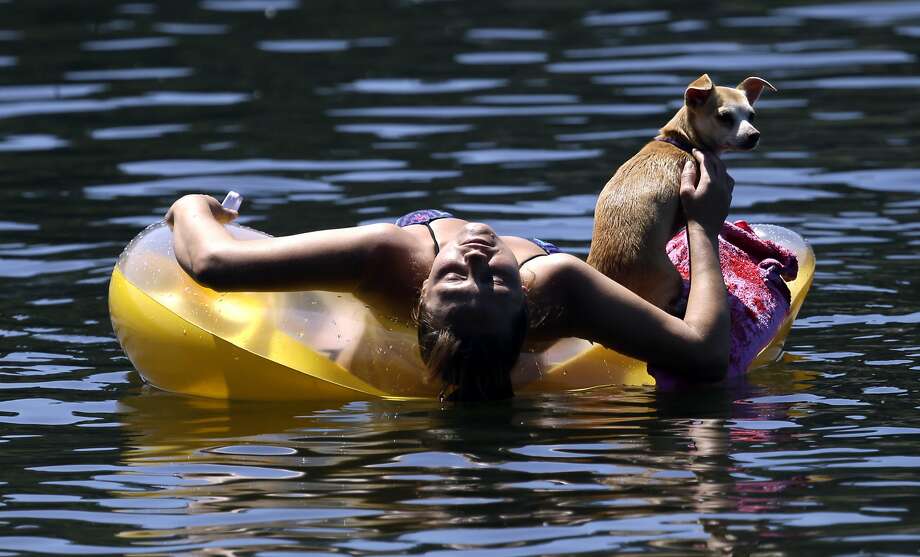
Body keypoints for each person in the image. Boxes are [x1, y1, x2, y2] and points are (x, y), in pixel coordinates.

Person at [166, 150, 733, 401]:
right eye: (498, 283)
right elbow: (705, 356)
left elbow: (213, 263)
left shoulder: (387, 260)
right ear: (529, 305)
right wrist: (704, 225)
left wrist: (194, 205)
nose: (479, 260)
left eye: (457, 280)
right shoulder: (557, 286)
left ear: (420, 296)